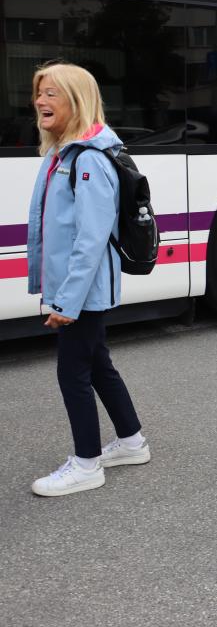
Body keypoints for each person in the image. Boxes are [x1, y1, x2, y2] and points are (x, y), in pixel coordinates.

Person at [26, 62, 151, 497]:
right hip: (79, 290)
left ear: (76, 100)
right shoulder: (65, 152)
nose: (41, 100)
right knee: (97, 362)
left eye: (52, 94)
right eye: (39, 92)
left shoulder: (88, 160)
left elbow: (91, 239)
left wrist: (67, 302)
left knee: (72, 371)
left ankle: (86, 464)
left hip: (83, 291)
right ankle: (131, 440)